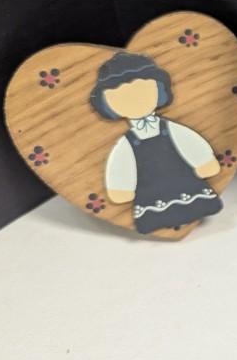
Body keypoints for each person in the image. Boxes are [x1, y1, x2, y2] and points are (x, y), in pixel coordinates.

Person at [90, 51, 223, 234]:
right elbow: (121, 164)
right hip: (152, 197)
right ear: (108, 104)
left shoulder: (171, 129)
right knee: (156, 216)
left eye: (141, 91)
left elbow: (188, 142)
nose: (134, 99)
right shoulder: (126, 144)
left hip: (186, 187)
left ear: (158, 90)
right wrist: (121, 188)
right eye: (121, 96)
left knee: (195, 204)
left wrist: (204, 162)